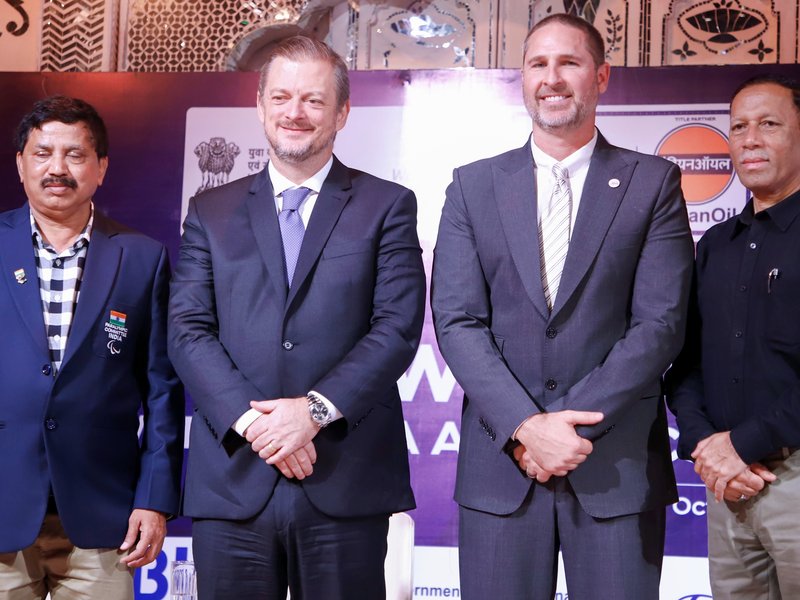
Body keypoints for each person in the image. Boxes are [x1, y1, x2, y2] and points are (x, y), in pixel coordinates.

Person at [430, 13, 694, 599]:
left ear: (601, 76)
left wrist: (565, 431)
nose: (551, 78)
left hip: (615, 468)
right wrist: (527, 428)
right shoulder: (472, 187)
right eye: (538, 64)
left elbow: (660, 324)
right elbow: (457, 321)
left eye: (568, 62)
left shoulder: (653, 183)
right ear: (523, 79)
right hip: (502, 467)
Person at [168, 35, 426, 600]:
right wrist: (258, 425)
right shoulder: (210, 211)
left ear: (342, 113)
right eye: (281, 97)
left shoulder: (387, 205)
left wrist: (311, 413)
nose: (295, 112)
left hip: (344, 476)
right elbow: (187, 331)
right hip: (235, 477)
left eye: (313, 99)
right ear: (260, 106)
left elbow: (396, 328)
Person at [0, 96, 184, 599]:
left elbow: (163, 391)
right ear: (20, 164)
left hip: (104, 519)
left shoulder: (141, 258)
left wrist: (154, 499)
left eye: (75, 154)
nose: (57, 168)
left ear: (101, 167)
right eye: (43, 153)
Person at [667, 74, 800, 599]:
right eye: (739, 127)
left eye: (769, 124)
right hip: (727, 487)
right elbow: (685, 364)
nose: (750, 140)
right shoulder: (715, 245)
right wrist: (705, 445)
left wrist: (741, 445)